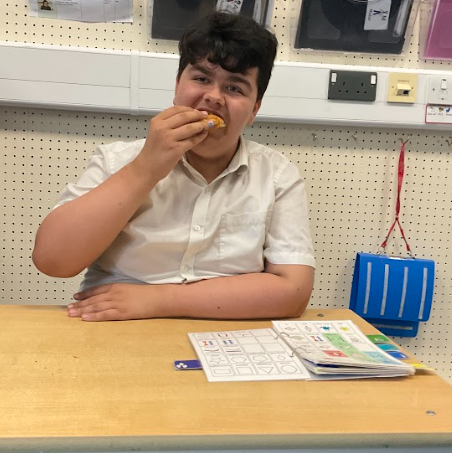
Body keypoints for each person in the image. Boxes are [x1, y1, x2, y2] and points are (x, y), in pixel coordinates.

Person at [32, 11, 315, 322]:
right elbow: (53, 261)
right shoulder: (118, 160)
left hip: (229, 336)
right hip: (115, 329)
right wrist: (146, 168)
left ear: (253, 110)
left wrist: (158, 300)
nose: (213, 97)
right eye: (201, 78)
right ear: (177, 85)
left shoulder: (276, 174)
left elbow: (294, 292)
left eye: (235, 88)